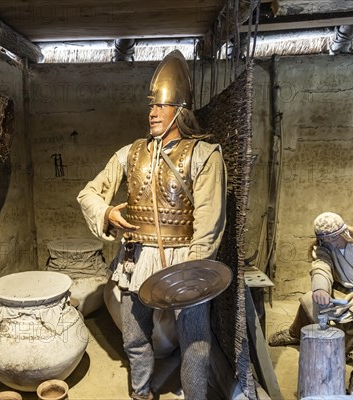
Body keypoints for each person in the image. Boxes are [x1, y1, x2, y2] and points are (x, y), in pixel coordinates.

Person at [77, 50, 226, 400]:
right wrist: (108, 213)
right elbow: (88, 193)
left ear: (181, 110)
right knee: (134, 335)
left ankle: (194, 396)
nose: (152, 112)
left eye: (161, 106)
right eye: (151, 106)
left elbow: (209, 222)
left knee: (194, 340)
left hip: (184, 261)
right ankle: (141, 392)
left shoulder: (204, 155)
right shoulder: (131, 152)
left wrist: (193, 270)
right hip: (134, 258)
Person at [268, 212, 353, 396]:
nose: (331, 243)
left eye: (334, 238)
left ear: (343, 232)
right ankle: (293, 333)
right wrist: (321, 288)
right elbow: (321, 266)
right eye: (326, 240)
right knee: (311, 299)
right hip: (347, 297)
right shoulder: (324, 248)